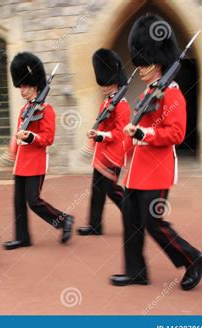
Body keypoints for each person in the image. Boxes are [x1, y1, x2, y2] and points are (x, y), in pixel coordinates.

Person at [110, 14, 202, 290]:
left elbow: (176, 134)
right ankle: (135, 271)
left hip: (157, 172)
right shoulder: (145, 95)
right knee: (130, 221)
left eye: (145, 62)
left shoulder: (172, 95)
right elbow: (133, 131)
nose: (139, 68)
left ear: (159, 61)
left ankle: (193, 258)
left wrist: (143, 134)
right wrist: (120, 155)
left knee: (153, 223)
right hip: (136, 173)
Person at [3, 52, 74, 250]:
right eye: (20, 86)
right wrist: (13, 149)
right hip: (21, 162)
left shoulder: (46, 109)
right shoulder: (24, 110)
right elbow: (18, 132)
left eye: (25, 86)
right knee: (18, 202)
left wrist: (31, 138)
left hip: (36, 161)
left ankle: (64, 220)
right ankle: (22, 237)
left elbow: (48, 138)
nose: (22, 90)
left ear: (35, 86)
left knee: (33, 201)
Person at [77, 48, 130, 236]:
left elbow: (120, 133)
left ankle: (134, 217)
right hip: (101, 155)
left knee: (113, 191)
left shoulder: (121, 105)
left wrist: (100, 136)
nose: (103, 86)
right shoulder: (107, 103)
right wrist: (94, 137)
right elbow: (101, 125)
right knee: (97, 191)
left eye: (106, 83)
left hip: (113, 155)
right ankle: (95, 225)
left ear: (115, 82)